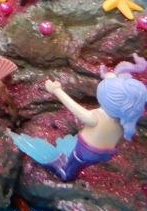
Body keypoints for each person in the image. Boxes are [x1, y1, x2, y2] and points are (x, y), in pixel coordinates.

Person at [9, 55, 147, 182]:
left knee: (71, 168)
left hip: (86, 151)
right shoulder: (126, 119)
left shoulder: (97, 117)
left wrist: (57, 91)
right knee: (82, 162)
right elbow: (125, 92)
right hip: (106, 153)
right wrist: (112, 77)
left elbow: (75, 109)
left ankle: (66, 174)